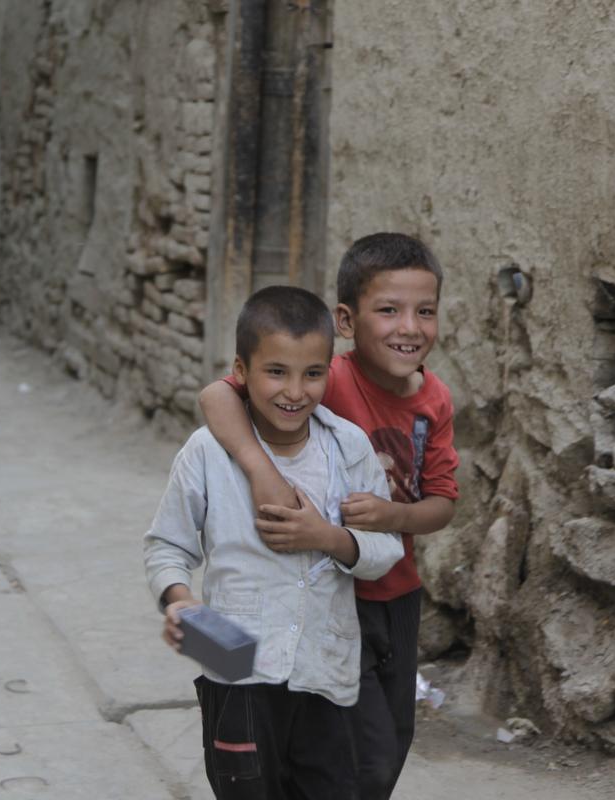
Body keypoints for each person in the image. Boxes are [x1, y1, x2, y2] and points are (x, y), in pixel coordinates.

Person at [198, 233, 460, 800]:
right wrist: (259, 470)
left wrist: (393, 514)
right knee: (355, 754)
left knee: (392, 742)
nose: (409, 327)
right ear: (346, 320)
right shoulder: (322, 378)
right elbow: (217, 395)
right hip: (332, 595)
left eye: (425, 311)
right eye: (388, 310)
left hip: (397, 591)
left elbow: (442, 503)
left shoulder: (434, 399)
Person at [145, 285, 407, 800]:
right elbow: (166, 546)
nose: (295, 391)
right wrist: (179, 600)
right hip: (236, 668)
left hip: (326, 672)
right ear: (241, 372)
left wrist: (329, 537)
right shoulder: (207, 452)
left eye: (312, 373)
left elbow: (385, 551)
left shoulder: (348, 448)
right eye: (276, 372)